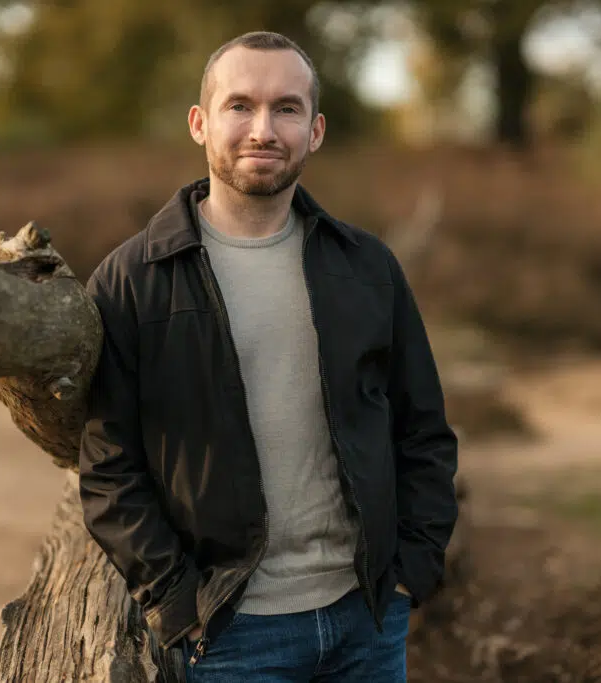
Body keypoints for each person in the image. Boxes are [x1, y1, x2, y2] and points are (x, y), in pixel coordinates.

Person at [78, 30, 458, 682]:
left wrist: (411, 572)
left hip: (365, 617)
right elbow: (110, 469)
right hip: (230, 633)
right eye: (239, 106)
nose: (263, 129)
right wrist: (179, 604)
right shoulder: (132, 280)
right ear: (200, 123)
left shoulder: (365, 267)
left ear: (315, 130)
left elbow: (421, 428)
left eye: (286, 108)